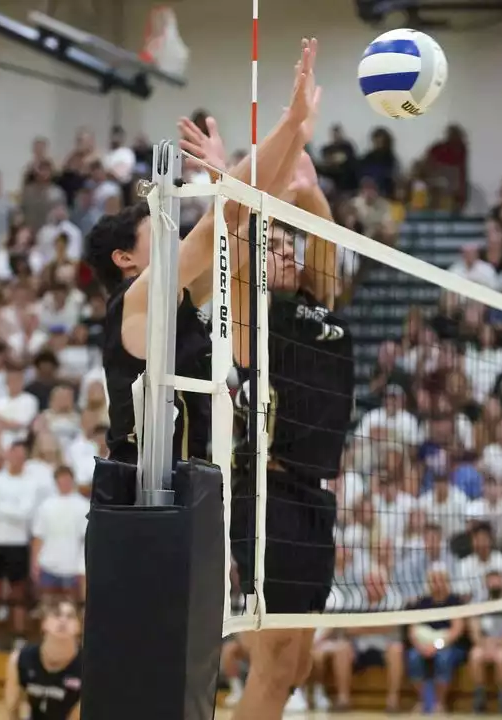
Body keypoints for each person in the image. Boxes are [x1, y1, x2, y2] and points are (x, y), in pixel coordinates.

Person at [174, 42, 357, 720]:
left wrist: (308, 187)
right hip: (268, 491)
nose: (284, 250)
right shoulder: (254, 307)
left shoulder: (320, 300)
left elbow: (327, 240)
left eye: (290, 244)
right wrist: (232, 175)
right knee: (276, 663)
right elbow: (241, 235)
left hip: (314, 498)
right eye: (275, 244)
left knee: (297, 664)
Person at [85, 38, 322, 470]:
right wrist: (288, 122)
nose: (173, 236)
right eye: (157, 230)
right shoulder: (134, 301)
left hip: (189, 493)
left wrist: (296, 140)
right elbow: (223, 218)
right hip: (141, 501)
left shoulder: (182, 297)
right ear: (125, 259)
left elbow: (243, 220)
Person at [4, 599, 83, 720]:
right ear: (44, 623)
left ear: (79, 627)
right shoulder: (20, 659)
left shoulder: (88, 667)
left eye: (70, 616)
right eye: (56, 614)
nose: (63, 620)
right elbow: (11, 709)